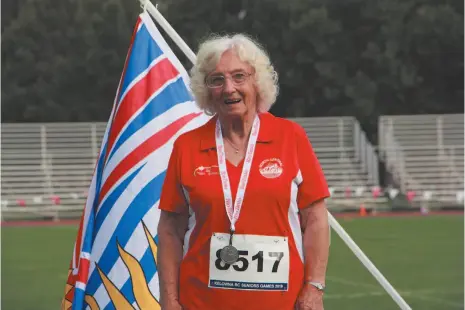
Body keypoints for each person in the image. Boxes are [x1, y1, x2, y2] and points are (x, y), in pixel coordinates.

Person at [157, 33, 330, 310]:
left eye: (239, 76)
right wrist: (169, 299)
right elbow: (169, 230)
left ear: (257, 82)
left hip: (283, 304)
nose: (229, 89)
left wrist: (314, 287)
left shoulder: (290, 137)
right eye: (217, 80)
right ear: (206, 89)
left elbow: (317, 219)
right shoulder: (186, 146)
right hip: (201, 303)